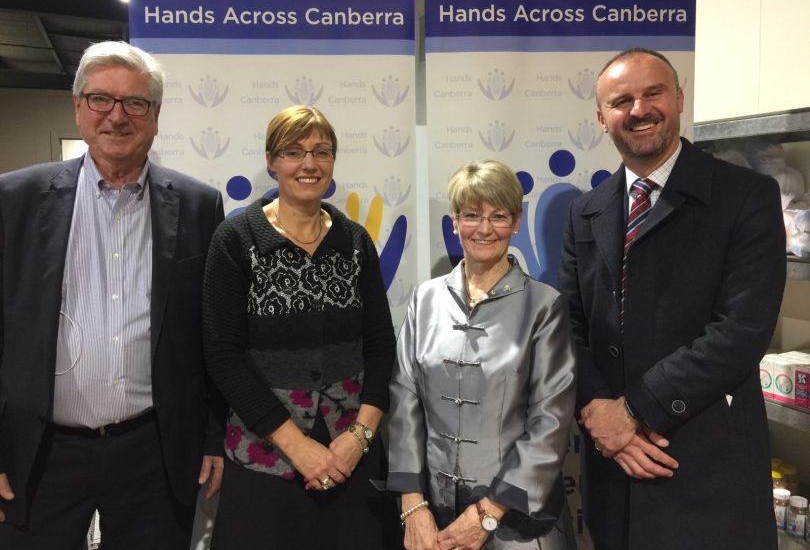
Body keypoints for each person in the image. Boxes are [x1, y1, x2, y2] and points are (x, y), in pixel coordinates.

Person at [0, 41, 225, 549]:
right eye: (101, 99)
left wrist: (213, 436)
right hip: (39, 452)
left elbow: (209, 337)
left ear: (156, 115)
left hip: (154, 450)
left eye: (135, 103)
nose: (117, 116)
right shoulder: (13, 200)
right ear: (77, 105)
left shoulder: (197, 205)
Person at [559, 48, 786, 550]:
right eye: (621, 101)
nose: (639, 109)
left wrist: (633, 410)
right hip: (616, 467)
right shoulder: (586, 212)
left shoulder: (745, 196)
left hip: (704, 466)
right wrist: (599, 410)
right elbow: (568, 326)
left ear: (679, 98)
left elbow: (741, 330)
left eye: (653, 92)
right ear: (602, 119)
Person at [202, 105, 401, 548]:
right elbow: (222, 356)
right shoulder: (236, 241)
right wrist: (297, 446)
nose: (309, 164)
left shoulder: (353, 241)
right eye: (294, 152)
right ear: (271, 161)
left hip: (351, 456)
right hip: (265, 460)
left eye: (321, 151)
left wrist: (360, 435)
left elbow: (381, 345)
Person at [387, 159, 577, 550]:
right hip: (435, 521)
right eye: (471, 215)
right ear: (454, 221)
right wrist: (412, 502)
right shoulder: (425, 299)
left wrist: (488, 512)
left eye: (499, 216)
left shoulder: (544, 306)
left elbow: (551, 422)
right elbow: (404, 401)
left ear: (518, 221)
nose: (485, 228)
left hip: (519, 525)